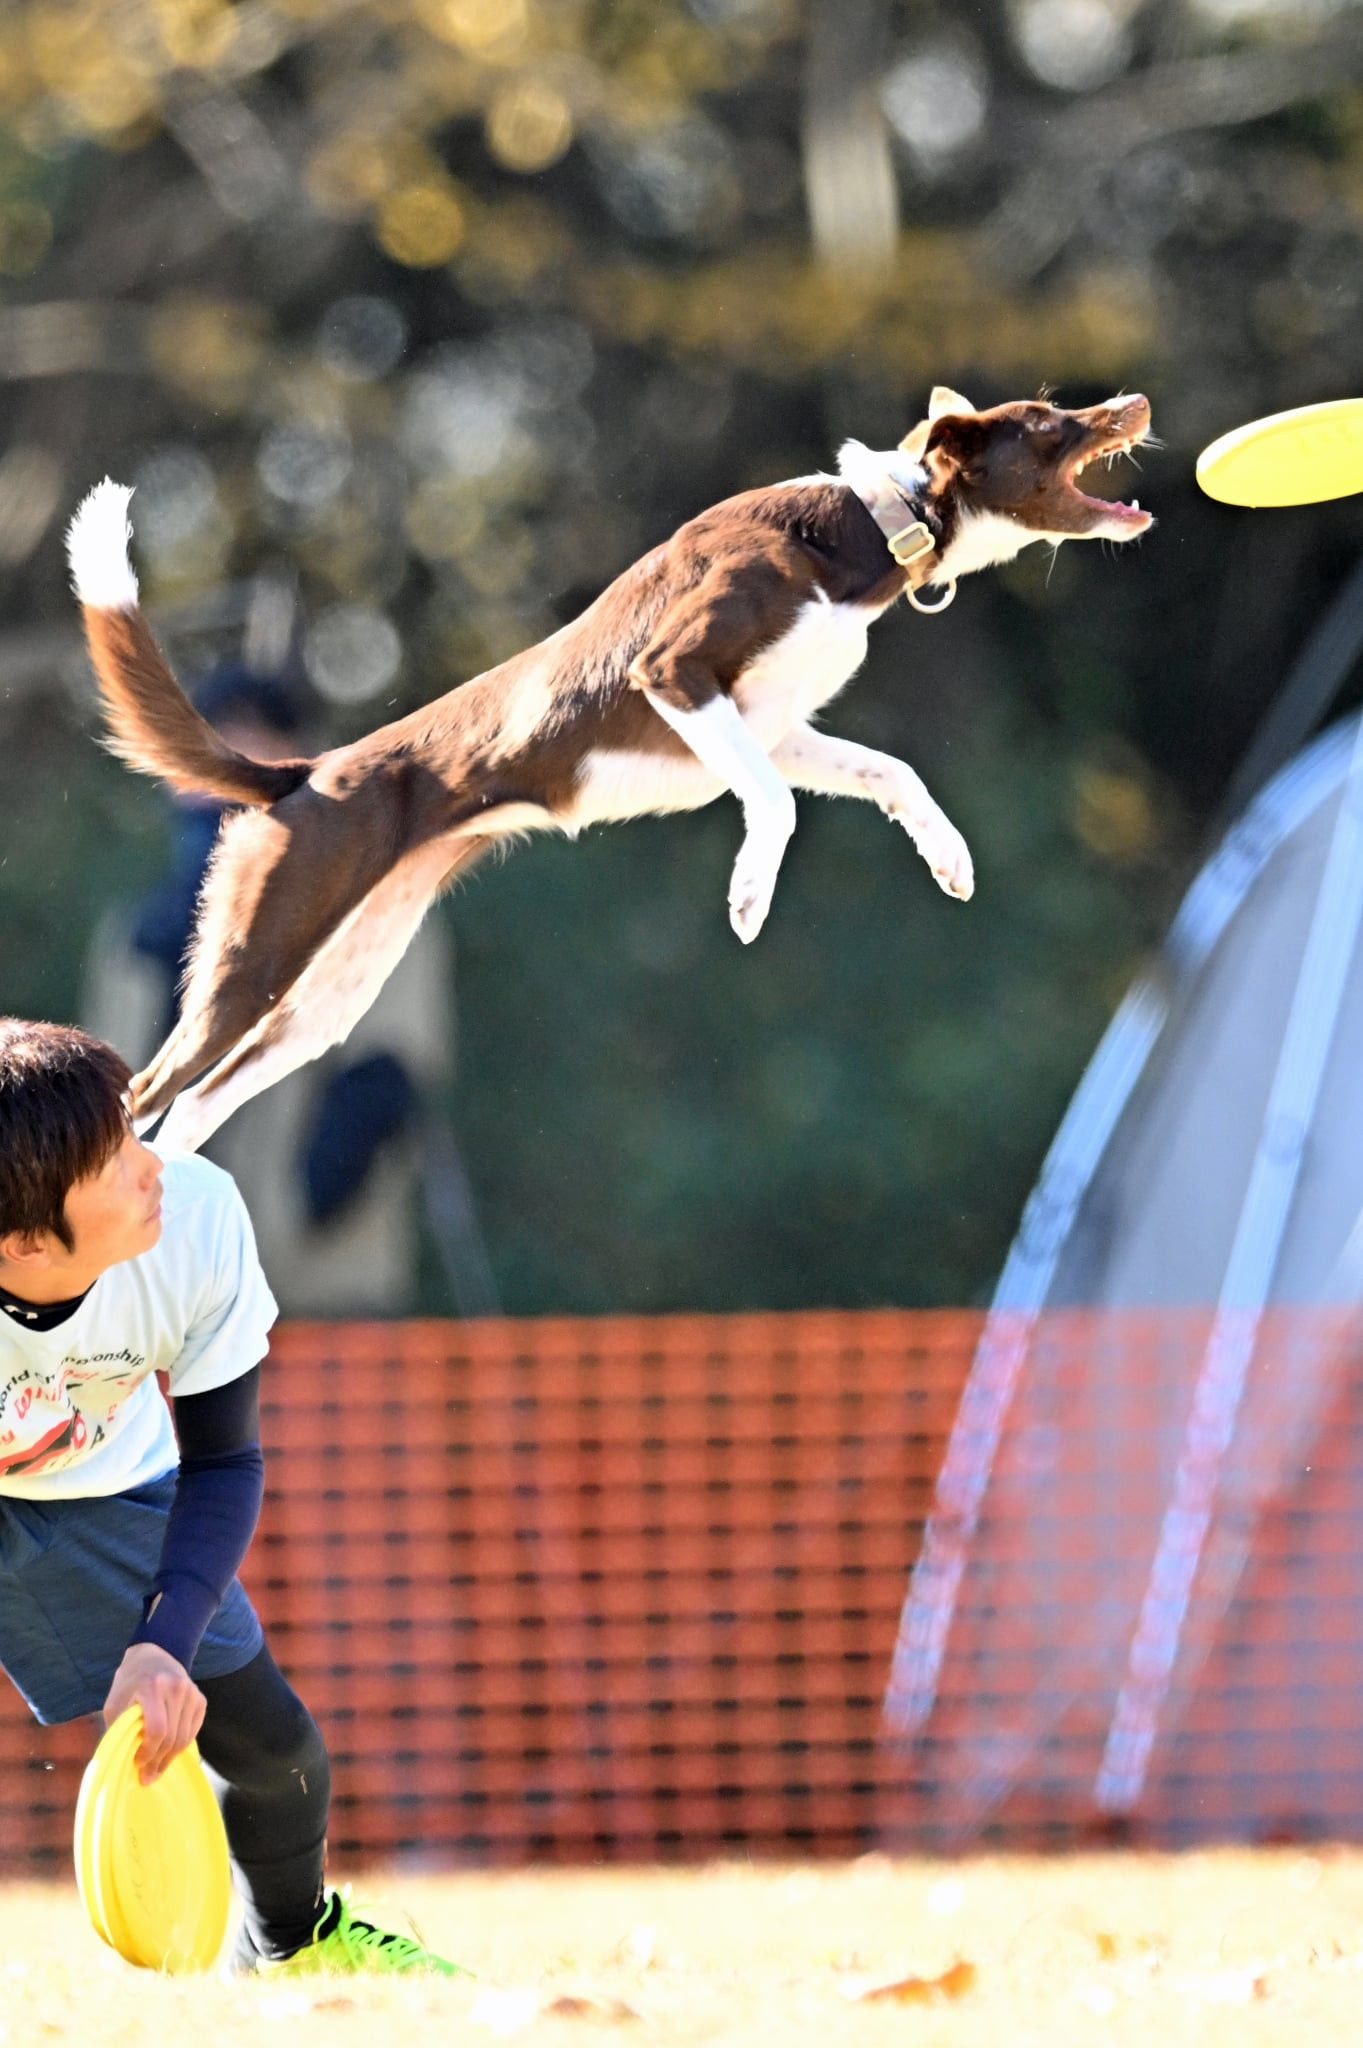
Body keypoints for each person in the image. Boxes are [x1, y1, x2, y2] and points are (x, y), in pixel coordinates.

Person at [0, 1016, 464, 1977]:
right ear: (23, 1243)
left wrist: (161, 1645)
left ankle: (292, 1951)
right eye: (113, 1163)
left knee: (280, 1752)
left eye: (131, 1129)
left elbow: (223, 1462)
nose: (152, 1166)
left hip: (105, 1487)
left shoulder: (198, 1217)